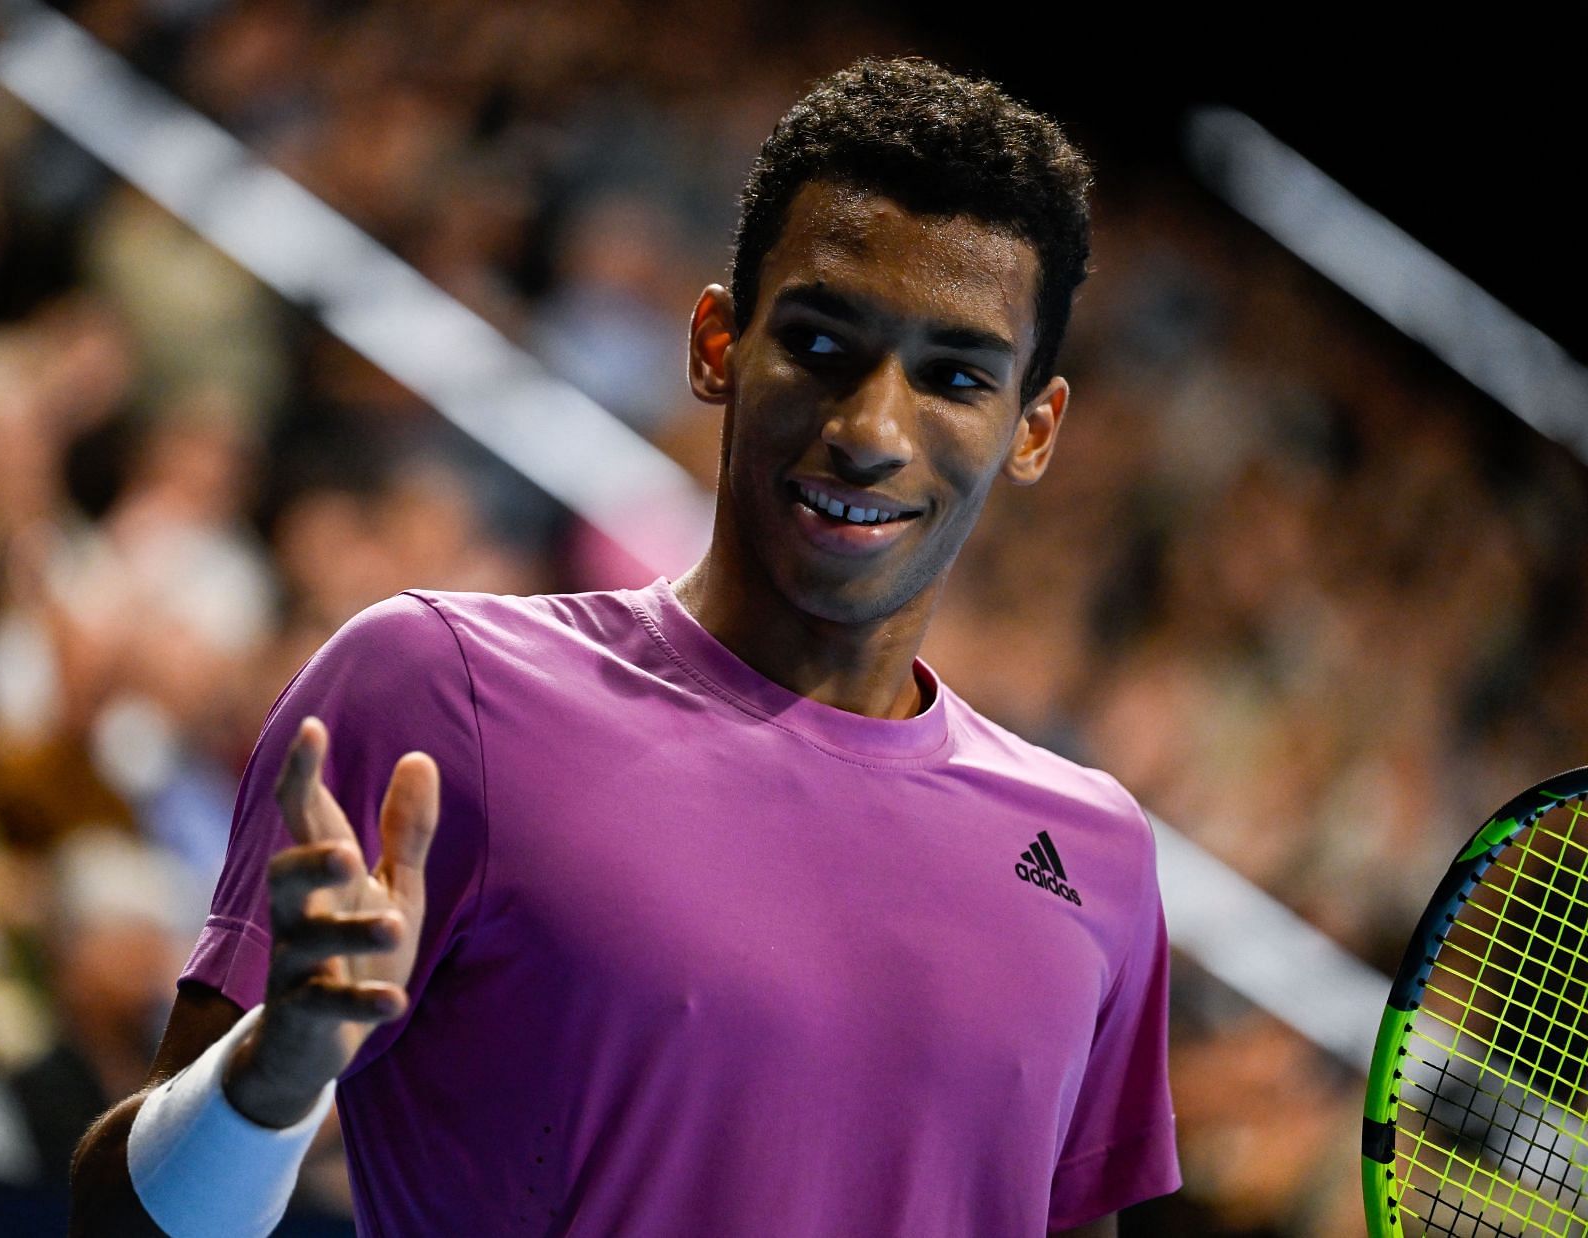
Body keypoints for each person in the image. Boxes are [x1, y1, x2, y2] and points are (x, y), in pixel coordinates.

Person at [70, 57, 1179, 1236]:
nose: (871, 430)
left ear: (1034, 427)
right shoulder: (435, 690)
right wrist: (273, 1071)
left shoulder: (1096, 856)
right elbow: (130, 1227)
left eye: (955, 376)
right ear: (715, 342)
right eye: (818, 343)